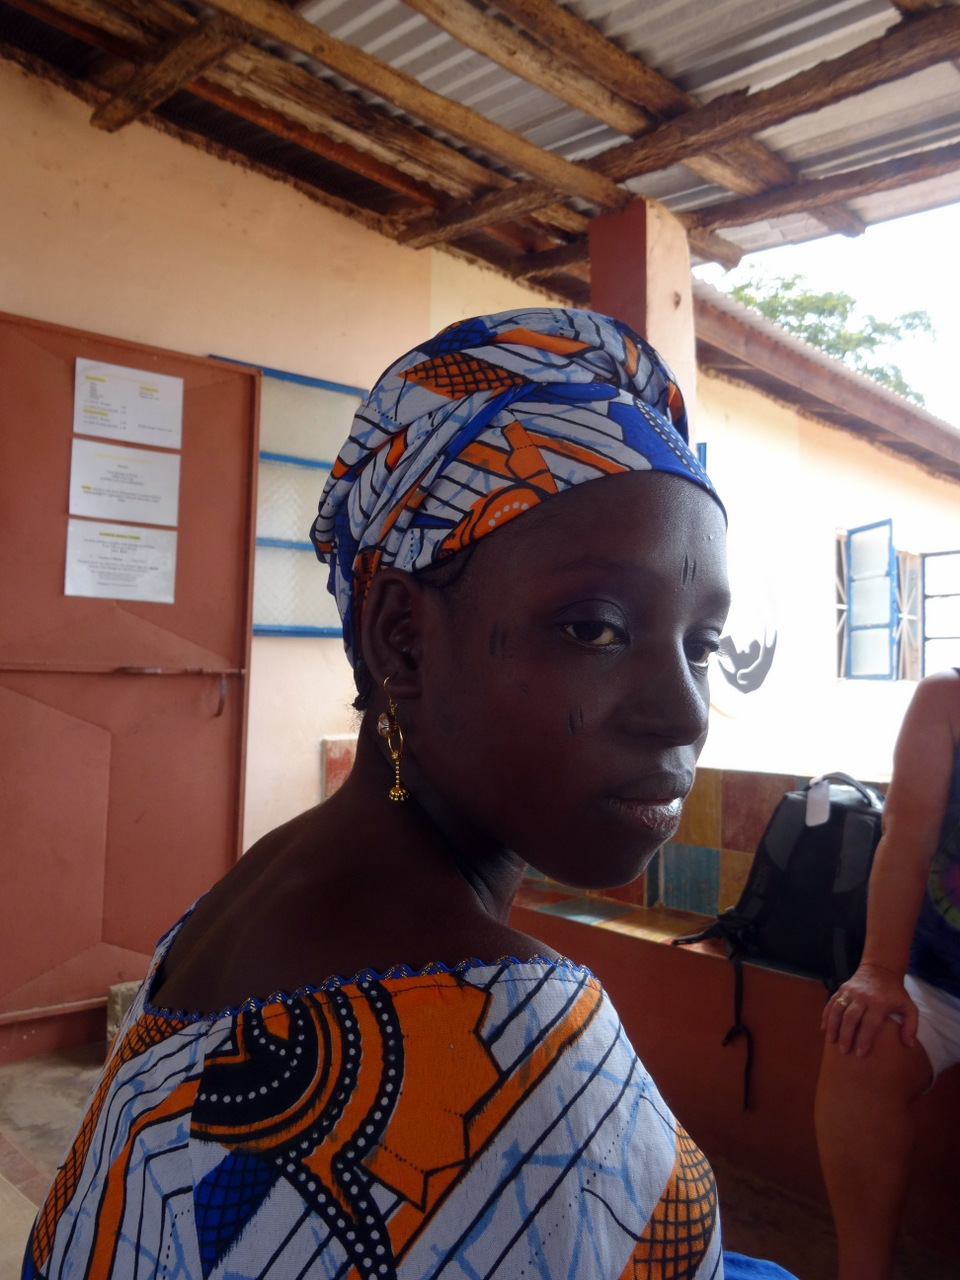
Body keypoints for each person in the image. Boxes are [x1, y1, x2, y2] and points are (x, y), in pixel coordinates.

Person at [22, 308, 788, 1279]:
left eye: (703, 645)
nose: (683, 712)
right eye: (594, 628)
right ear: (403, 637)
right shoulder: (522, 1062)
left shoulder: (248, 897)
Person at [816, 669, 960, 1280]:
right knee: (860, 1042)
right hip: (940, 979)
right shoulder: (947, 697)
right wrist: (878, 970)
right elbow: (907, 836)